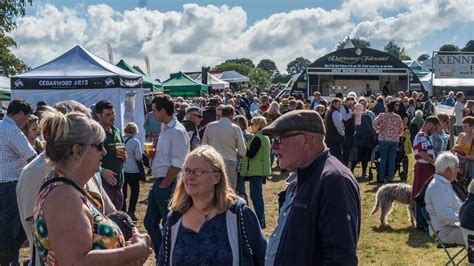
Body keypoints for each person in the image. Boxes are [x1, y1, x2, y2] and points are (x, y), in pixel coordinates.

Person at [32, 110, 151, 264]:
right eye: (99, 145)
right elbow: (76, 262)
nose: (104, 151)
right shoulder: (63, 197)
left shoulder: (67, 188)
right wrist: (135, 250)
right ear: (77, 151)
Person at [17, 100, 117, 266]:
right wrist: (131, 252)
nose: (103, 151)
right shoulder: (34, 173)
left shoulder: (86, 169)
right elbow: (58, 244)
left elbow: (110, 213)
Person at [262, 110, 360, 265]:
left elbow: (340, 258)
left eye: (279, 139)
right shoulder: (302, 176)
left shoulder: (334, 180)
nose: (274, 147)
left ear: (306, 140)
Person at [158, 145, 266, 265]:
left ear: (217, 177)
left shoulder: (239, 215)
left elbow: (264, 259)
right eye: (187, 170)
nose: (190, 176)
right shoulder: (174, 218)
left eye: (198, 172)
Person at [145, 95, 190, 258]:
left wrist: (165, 184)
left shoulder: (177, 131)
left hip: (168, 183)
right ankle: (163, 256)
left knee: (171, 224)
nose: (152, 113)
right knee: (149, 223)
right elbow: (168, 157)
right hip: (160, 181)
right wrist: (153, 155)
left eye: (154, 110)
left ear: (163, 110)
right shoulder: (164, 128)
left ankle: (172, 256)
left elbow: (178, 163)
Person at [0, 99, 37, 265]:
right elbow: (33, 159)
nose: (26, 121)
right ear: (21, 114)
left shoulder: (1, 125)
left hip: (4, 184)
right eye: (26, 117)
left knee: (6, 229)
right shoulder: (12, 130)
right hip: (10, 185)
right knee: (13, 231)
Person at [202, 105, 246, 190]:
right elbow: (242, 151)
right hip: (229, 161)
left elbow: (203, 146)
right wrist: (235, 151)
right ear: (232, 116)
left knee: (213, 188)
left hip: (212, 161)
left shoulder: (210, 126)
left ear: (221, 114)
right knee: (228, 189)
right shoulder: (236, 128)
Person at [424, 152, 464, 244]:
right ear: (448, 169)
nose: (458, 170)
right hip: (444, 232)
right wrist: (465, 218)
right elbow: (445, 216)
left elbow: (458, 206)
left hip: (453, 227)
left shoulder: (445, 184)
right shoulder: (437, 187)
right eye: (456, 167)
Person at [95, 100, 126, 210]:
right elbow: (88, 159)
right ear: (99, 116)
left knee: (117, 214)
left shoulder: (117, 131)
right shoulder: (96, 133)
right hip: (104, 184)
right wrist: (102, 171)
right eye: (108, 114)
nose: (112, 117)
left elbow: (122, 155)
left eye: (113, 113)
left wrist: (124, 157)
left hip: (119, 182)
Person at [241, 116, 271, 229]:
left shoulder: (258, 137)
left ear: (258, 125)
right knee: (257, 195)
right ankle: (261, 220)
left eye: (253, 124)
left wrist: (241, 149)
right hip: (258, 169)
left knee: (256, 196)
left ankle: (259, 220)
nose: (251, 126)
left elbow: (251, 154)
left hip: (256, 170)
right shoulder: (262, 136)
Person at [412, 116, 440, 231]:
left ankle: (422, 222)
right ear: (429, 124)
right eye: (433, 128)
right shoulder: (422, 137)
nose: (433, 131)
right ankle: (421, 223)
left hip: (425, 167)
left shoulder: (424, 136)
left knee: (424, 195)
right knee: (422, 195)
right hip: (424, 168)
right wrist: (434, 163)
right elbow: (423, 153)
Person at [372, 101, 404, 183]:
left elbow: (374, 123)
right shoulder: (397, 117)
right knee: (391, 159)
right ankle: (390, 178)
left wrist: (378, 129)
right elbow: (401, 129)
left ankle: (381, 177)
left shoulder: (382, 115)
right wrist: (397, 134)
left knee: (383, 159)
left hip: (384, 139)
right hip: (394, 140)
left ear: (387, 107)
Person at [122, 122, 143, 222]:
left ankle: (122, 211)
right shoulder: (135, 142)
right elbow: (138, 157)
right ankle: (131, 212)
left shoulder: (121, 139)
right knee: (134, 191)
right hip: (133, 170)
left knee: (123, 192)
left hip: (122, 169)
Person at [351, 97, 376, 178]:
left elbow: (374, 125)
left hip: (367, 138)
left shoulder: (370, 114)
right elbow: (354, 126)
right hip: (358, 138)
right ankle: (351, 171)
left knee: (365, 157)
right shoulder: (355, 114)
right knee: (356, 157)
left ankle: (364, 172)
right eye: (361, 104)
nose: (363, 105)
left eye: (364, 104)